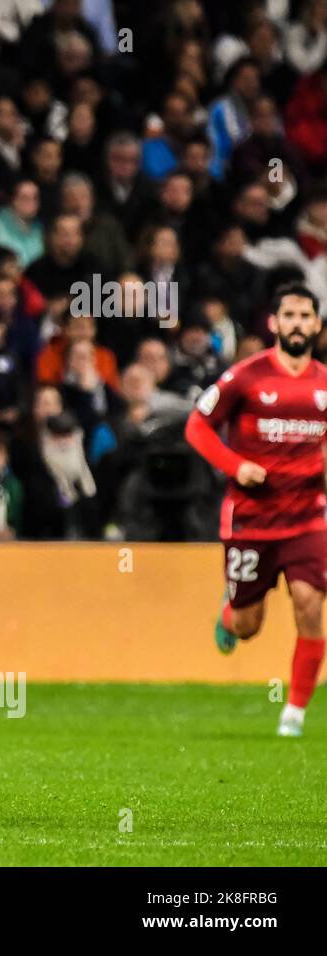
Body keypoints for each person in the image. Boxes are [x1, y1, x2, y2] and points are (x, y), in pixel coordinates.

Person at [185, 283, 327, 738]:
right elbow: (197, 425)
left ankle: (295, 713)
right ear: (274, 323)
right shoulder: (246, 376)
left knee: (310, 603)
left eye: (306, 316)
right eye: (290, 316)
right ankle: (230, 612)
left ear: (317, 325)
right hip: (251, 518)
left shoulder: (324, 381)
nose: (298, 324)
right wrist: (236, 464)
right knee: (248, 626)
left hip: (307, 517)